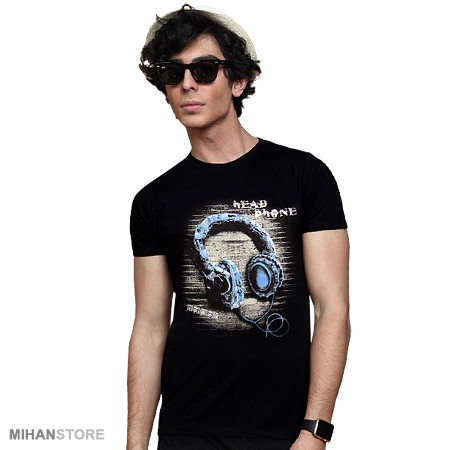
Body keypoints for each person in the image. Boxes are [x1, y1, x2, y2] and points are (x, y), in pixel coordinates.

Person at [127, 4, 351, 450]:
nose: (187, 84)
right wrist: (135, 444)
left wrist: (315, 431)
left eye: (204, 69)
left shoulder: (305, 176)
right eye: (173, 73)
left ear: (238, 81)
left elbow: (333, 310)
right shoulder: (153, 200)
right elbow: (149, 328)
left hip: (284, 434)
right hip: (187, 432)